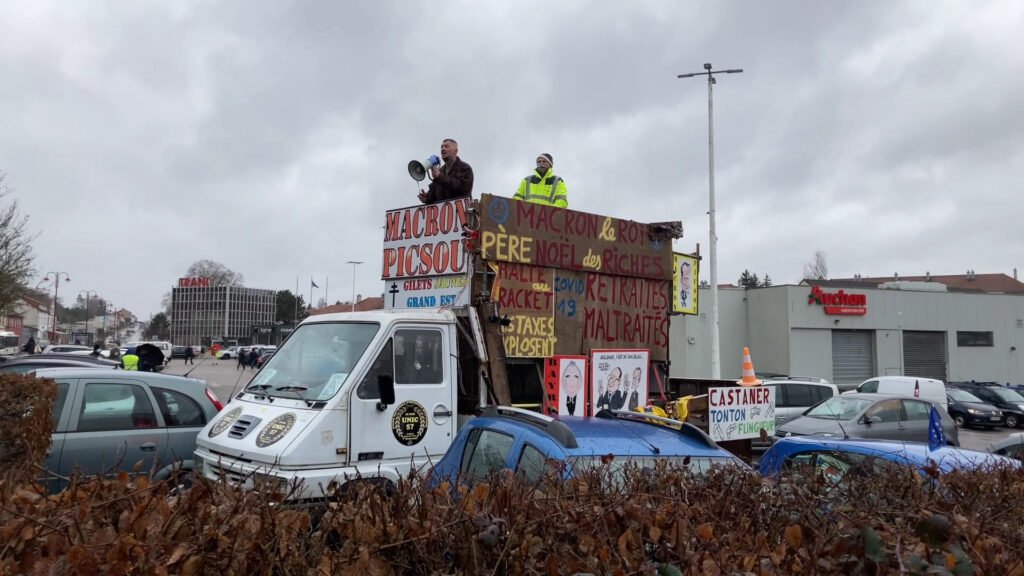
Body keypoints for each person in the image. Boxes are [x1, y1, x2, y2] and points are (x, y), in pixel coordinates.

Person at [417, 138, 474, 204]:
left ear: (456, 151)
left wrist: (440, 176)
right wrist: (426, 198)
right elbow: (434, 197)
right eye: (442, 147)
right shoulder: (440, 171)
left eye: (446, 146)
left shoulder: (465, 168)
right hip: (443, 213)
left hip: (460, 212)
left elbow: (462, 188)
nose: (443, 149)